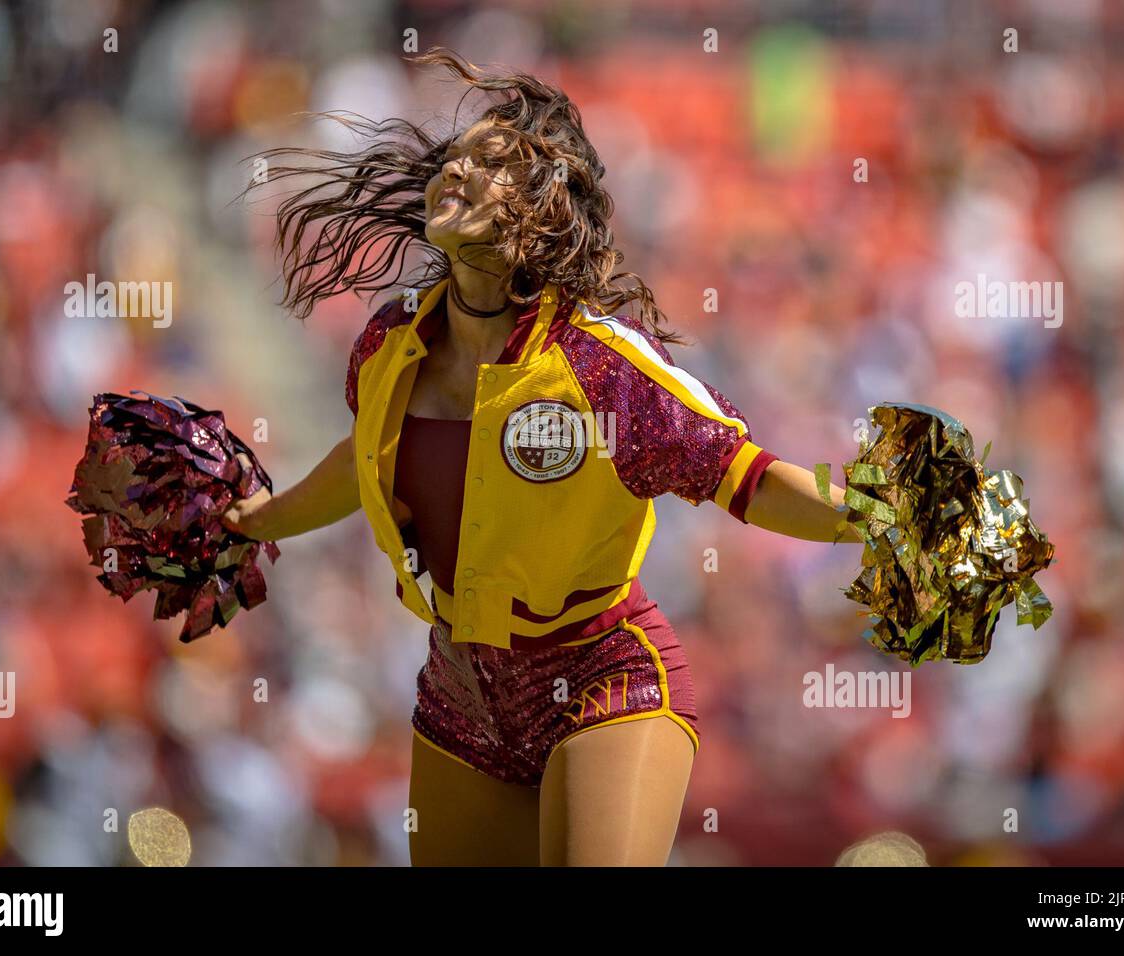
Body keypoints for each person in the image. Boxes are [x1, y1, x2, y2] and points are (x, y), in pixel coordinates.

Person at [224, 48, 858, 866]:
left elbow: (750, 477)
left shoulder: (601, 367)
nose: (457, 171)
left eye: (492, 166)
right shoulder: (388, 346)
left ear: (543, 210)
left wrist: (879, 518)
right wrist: (256, 519)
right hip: (461, 694)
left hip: (606, 676)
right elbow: (366, 459)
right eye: (456, 159)